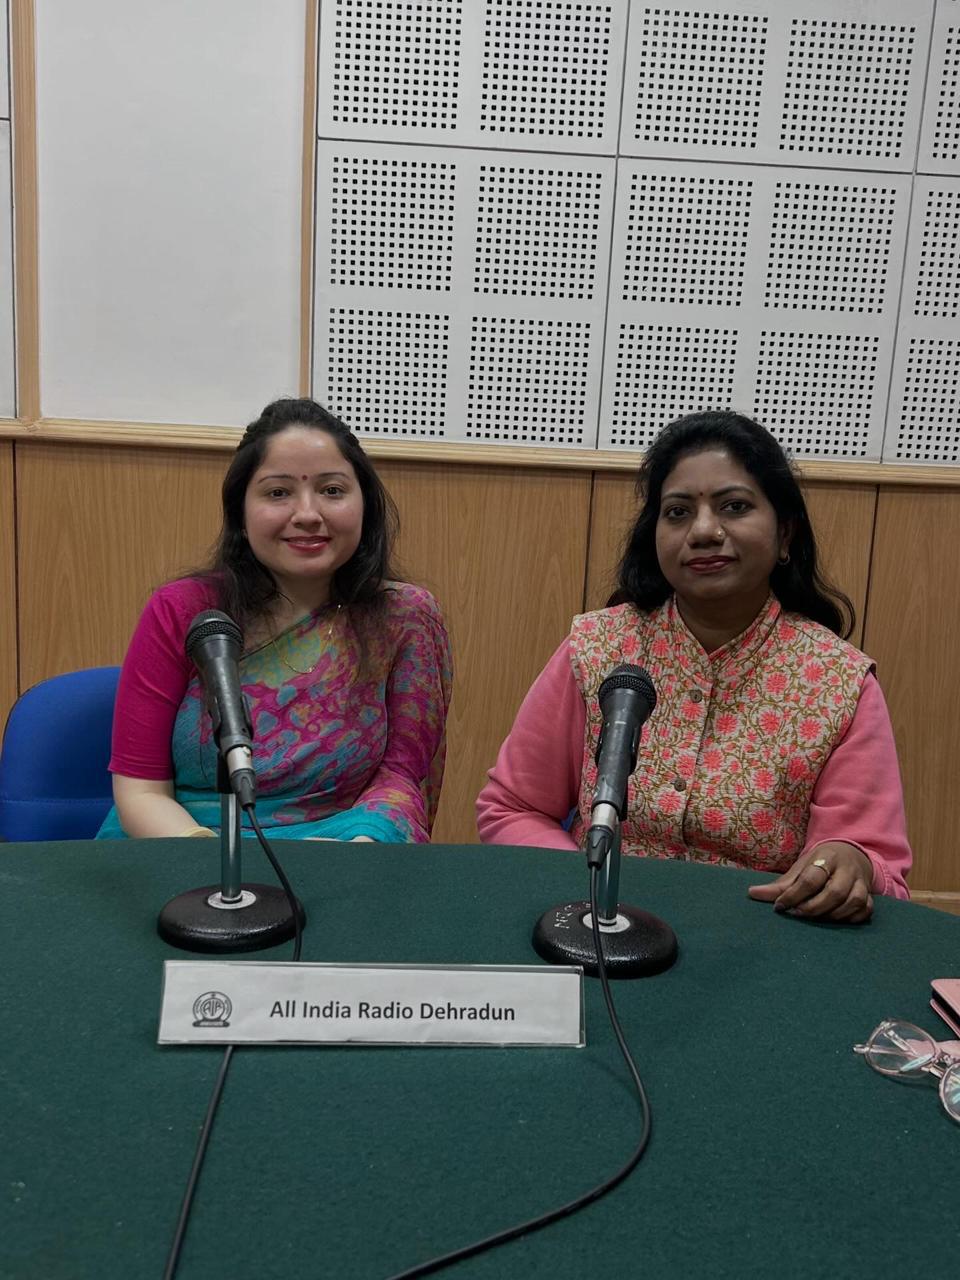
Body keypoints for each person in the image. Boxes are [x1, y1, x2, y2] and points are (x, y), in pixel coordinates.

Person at [477, 410, 910, 922]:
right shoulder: (598, 647)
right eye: (678, 512)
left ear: (786, 534)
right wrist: (589, 883)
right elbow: (513, 809)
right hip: (601, 923)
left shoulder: (839, 681)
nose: (704, 531)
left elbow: (874, 861)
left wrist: (850, 861)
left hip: (760, 943)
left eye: (734, 506)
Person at [98, 398, 452, 844]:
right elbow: (141, 790)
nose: (307, 514)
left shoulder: (403, 617)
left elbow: (402, 777)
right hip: (178, 842)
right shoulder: (184, 610)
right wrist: (211, 864)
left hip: (342, 845)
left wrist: (361, 849)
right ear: (241, 516)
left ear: (365, 506)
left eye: (332, 490)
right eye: (278, 492)